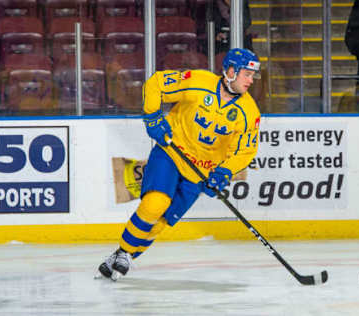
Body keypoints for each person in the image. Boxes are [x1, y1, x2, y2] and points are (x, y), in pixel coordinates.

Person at [97, 48, 261, 280]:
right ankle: (124, 251)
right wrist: (152, 116)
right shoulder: (199, 81)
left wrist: (224, 171)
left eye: (253, 76)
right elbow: (156, 84)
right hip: (172, 153)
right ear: (231, 71)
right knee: (156, 203)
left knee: (162, 221)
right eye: (247, 74)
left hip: (200, 172)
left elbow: (245, 150)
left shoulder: (249, 112)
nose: (251, 81)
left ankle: (121, 257)